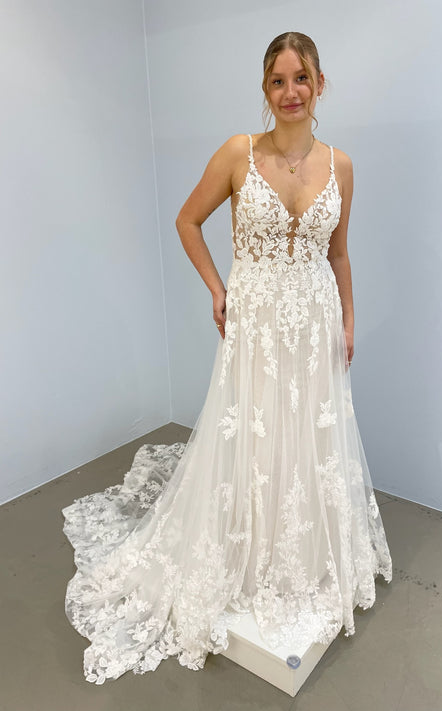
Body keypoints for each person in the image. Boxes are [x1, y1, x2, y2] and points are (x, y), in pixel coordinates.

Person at [62, 31, 392, 686]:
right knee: (255, 434)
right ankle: (246, 551)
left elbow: (337, 252)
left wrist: (349, 320)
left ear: (320, 84)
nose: (291, 92)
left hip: (314, 321)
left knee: (307, 438)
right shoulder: (239, 153)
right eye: (278, 81)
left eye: (301, 78)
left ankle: (298, 553)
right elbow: (188, 220)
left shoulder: (342, 166)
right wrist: (218, 289)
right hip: (257, 323)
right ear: (265, 89)